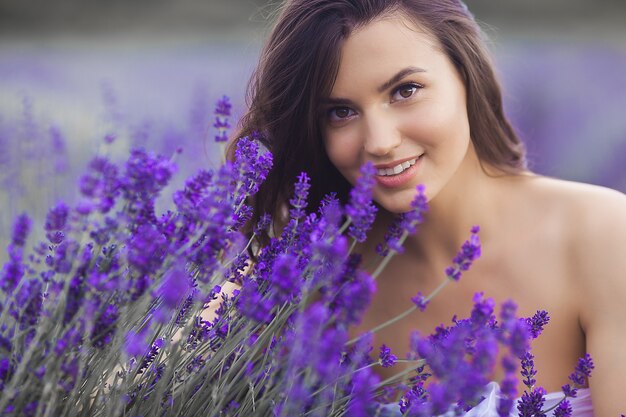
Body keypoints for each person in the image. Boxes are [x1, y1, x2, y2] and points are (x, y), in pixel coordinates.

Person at [224, 0, 626, 415]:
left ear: (465, 74)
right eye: (340, 112)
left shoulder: (602, 237)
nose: (379, 141)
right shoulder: (311, 278)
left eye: (405, 91)